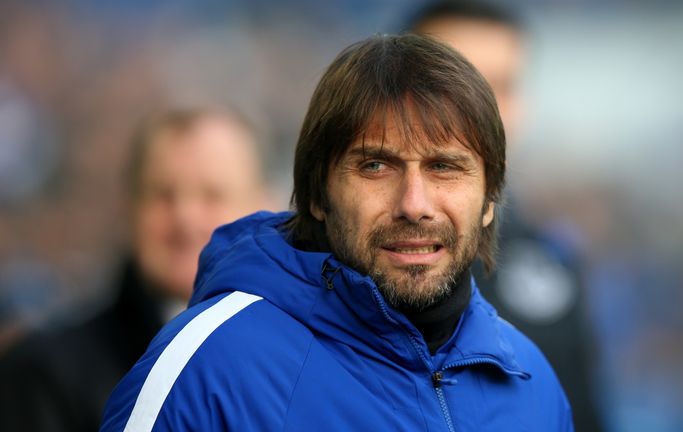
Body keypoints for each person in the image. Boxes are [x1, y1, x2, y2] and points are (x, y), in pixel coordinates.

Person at [100, 34, 573, 431]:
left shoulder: (534, 385)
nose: (414, 204)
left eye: (444, 167)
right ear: (317, 195)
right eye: (375, 166)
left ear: (490, 197)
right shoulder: (208, 370)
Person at [0, 107, 273, 432]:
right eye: (162, 195)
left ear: (265, 209)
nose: (185, 217)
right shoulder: (42, 375)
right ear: (128, 207)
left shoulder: (307, 365)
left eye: (211, 195)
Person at [409, 2, 604, 430]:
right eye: (455, 81)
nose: (481, 106)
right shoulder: (338, 257)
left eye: (501, 85)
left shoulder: (551, 263)